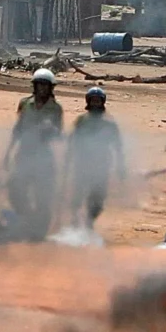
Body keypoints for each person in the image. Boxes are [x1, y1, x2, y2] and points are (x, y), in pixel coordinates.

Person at [5, 68, 64, 240]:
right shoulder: (24, 103)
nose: (42, 89)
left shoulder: (55, 109)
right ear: (35, 86)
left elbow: (58, 133)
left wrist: (50, 129)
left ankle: (39, 232)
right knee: (15, 189)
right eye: (40, 85)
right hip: (24, 152)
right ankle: (27, 220)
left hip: (43, 156)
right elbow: (18, 128)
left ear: (51, 88)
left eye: (46, 86)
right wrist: (8, 152)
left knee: (42, 195)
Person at [64, 87, 125, 231]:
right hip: (82, 163)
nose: (95, 104)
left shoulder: (109, 123)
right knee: (77, 195)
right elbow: (72, 141)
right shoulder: (81, 121)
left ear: (103, 102)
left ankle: (89, 221)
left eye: (98, 101)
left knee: (98, 199)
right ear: (88, 102)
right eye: (93, 101)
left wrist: (121, 166)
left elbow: (117, 146)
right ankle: (74, 221)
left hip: (101, 165)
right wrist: (67, 160)